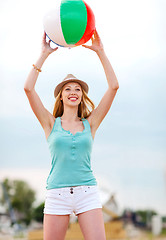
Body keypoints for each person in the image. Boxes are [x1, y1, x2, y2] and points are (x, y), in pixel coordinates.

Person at [24, 30, 119, 240]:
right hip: (57, 194)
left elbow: (114, 87)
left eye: (77, 89)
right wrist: (44, 54)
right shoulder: (49, 123)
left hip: (87, 192)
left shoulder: (91, 123)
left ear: (82, 96)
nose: (73, 91)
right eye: (67, 89)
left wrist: (101, 52)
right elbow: (28, 89)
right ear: (61, 96)